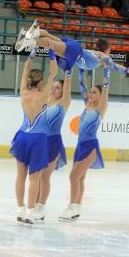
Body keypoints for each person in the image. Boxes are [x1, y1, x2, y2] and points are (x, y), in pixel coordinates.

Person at [59, 59, 111, 220]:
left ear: (101, 96)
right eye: (90, 92)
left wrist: (106, 70)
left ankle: (72, 206)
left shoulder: (100, 108)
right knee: (79, 178)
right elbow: (82, 83)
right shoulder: (86, 105)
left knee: (73, 177)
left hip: (90, 147)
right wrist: (81, 66)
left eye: (94, 92)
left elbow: (106, 87)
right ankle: (77, 207)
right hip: (80, 146)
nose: (90, 94)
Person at [11, 48, 57, 224]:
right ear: (41, 82)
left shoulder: (24, 90)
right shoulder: (44, 94)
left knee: (20, 176)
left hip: (22, 136)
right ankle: (30, 212)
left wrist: (31, 56)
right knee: (35, 178)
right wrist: (52, 55)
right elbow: (54, 72)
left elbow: (25, 70)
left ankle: (20, 210)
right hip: (37, 139)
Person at [15, 21, 129, 76]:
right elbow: (115, 66)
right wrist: (127, 71)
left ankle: (30, 33)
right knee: (49, 43)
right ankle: (27, 40)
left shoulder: (97, 55)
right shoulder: (104, 57)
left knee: (50, 37)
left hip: (75, 50)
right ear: (106, 50)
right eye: (110, 50)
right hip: (74, 52)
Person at [35, 50, 72, 221]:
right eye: (54, 87)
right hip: (41, 141)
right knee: (37, 175)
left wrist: (68, 71)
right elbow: (51, 75)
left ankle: (41, 208)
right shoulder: (48, 101)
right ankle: (35, 205)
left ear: (63, 91)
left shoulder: (63, 103)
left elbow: (67, 86)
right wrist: (51, 58)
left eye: (57, 88)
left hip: (53, 142)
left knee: (45, 176)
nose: (54, 89)